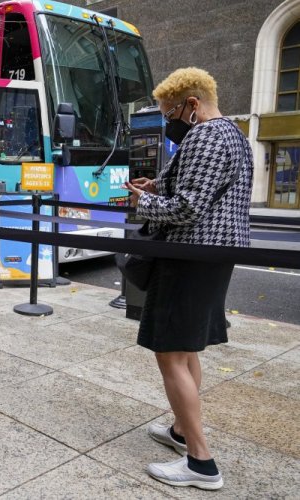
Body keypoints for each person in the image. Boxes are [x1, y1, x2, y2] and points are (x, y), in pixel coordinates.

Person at [124, 67, 253, 491]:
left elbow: (188, 207)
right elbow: (195, 187)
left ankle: (201, 462)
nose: (167, 121)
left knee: (170, 353)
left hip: (191, 255)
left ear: (192, 105)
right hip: (209, 255)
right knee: (185, 348)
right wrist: (156, 185)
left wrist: (145, 203)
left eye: (169, 113)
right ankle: (181, 432)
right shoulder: (231, 134)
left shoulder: (206, 136)